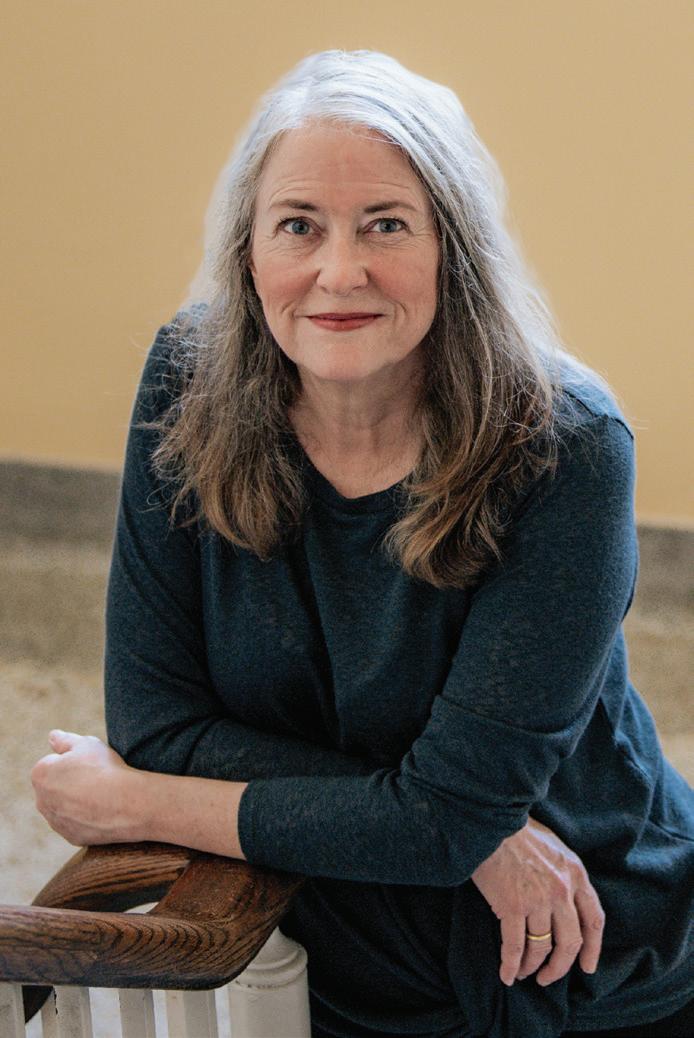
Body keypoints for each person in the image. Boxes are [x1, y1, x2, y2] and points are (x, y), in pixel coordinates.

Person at [31, 50, 693, 1038]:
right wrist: (451, 827)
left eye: (386, 224)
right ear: (248, 252)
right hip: (335, 920)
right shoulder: (186, 378)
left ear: (451, 247)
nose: (339, 272)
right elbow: (158, 727)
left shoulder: (568, 444)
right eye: (298, 225)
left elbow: (437, 820)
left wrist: (141, 806)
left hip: (578, 946)